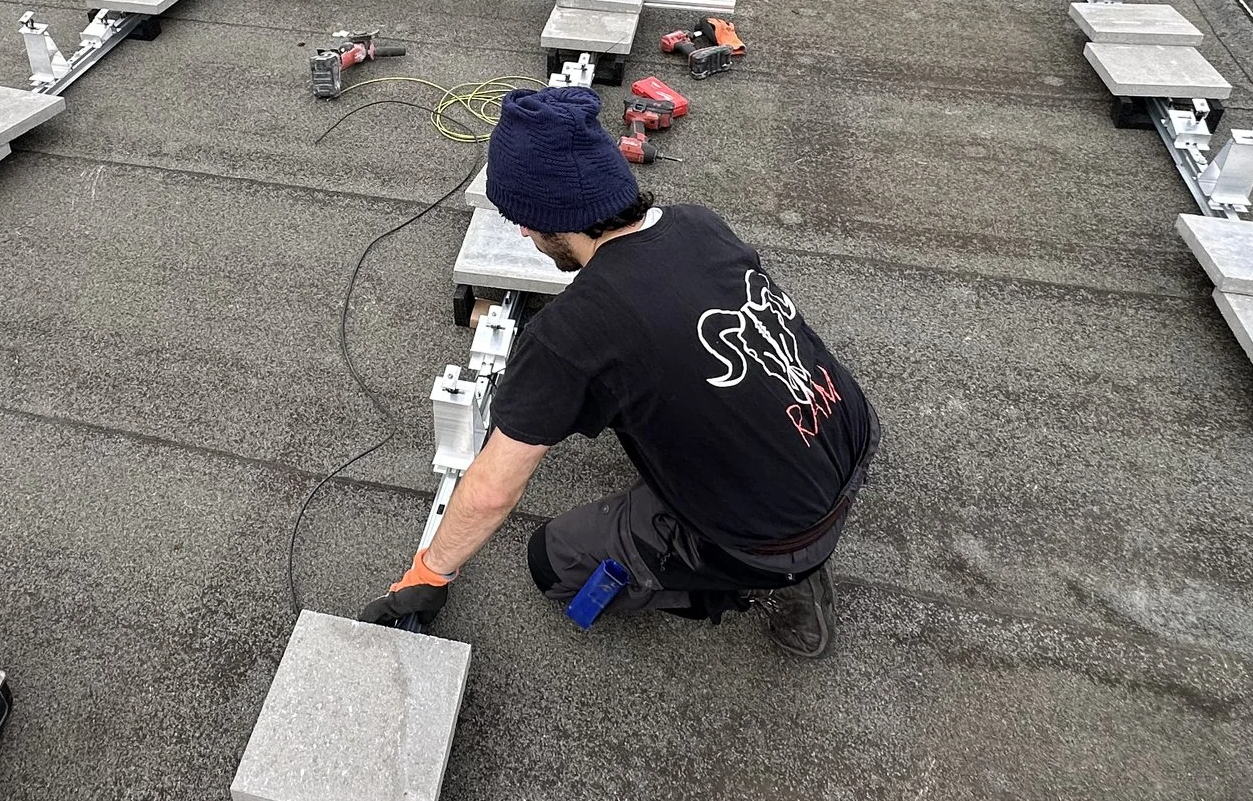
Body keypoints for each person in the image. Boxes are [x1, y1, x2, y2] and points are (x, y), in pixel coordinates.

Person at [359, 87, 877, 658]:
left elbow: (490, 492)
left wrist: (428, 575)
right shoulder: (698, 225)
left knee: (552, 563)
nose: (523, 236)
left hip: (776, 532)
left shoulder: (574, 331)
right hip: (845, 441)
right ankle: (781, 543)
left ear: (555, 217)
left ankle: (762, 579)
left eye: (524, 222)